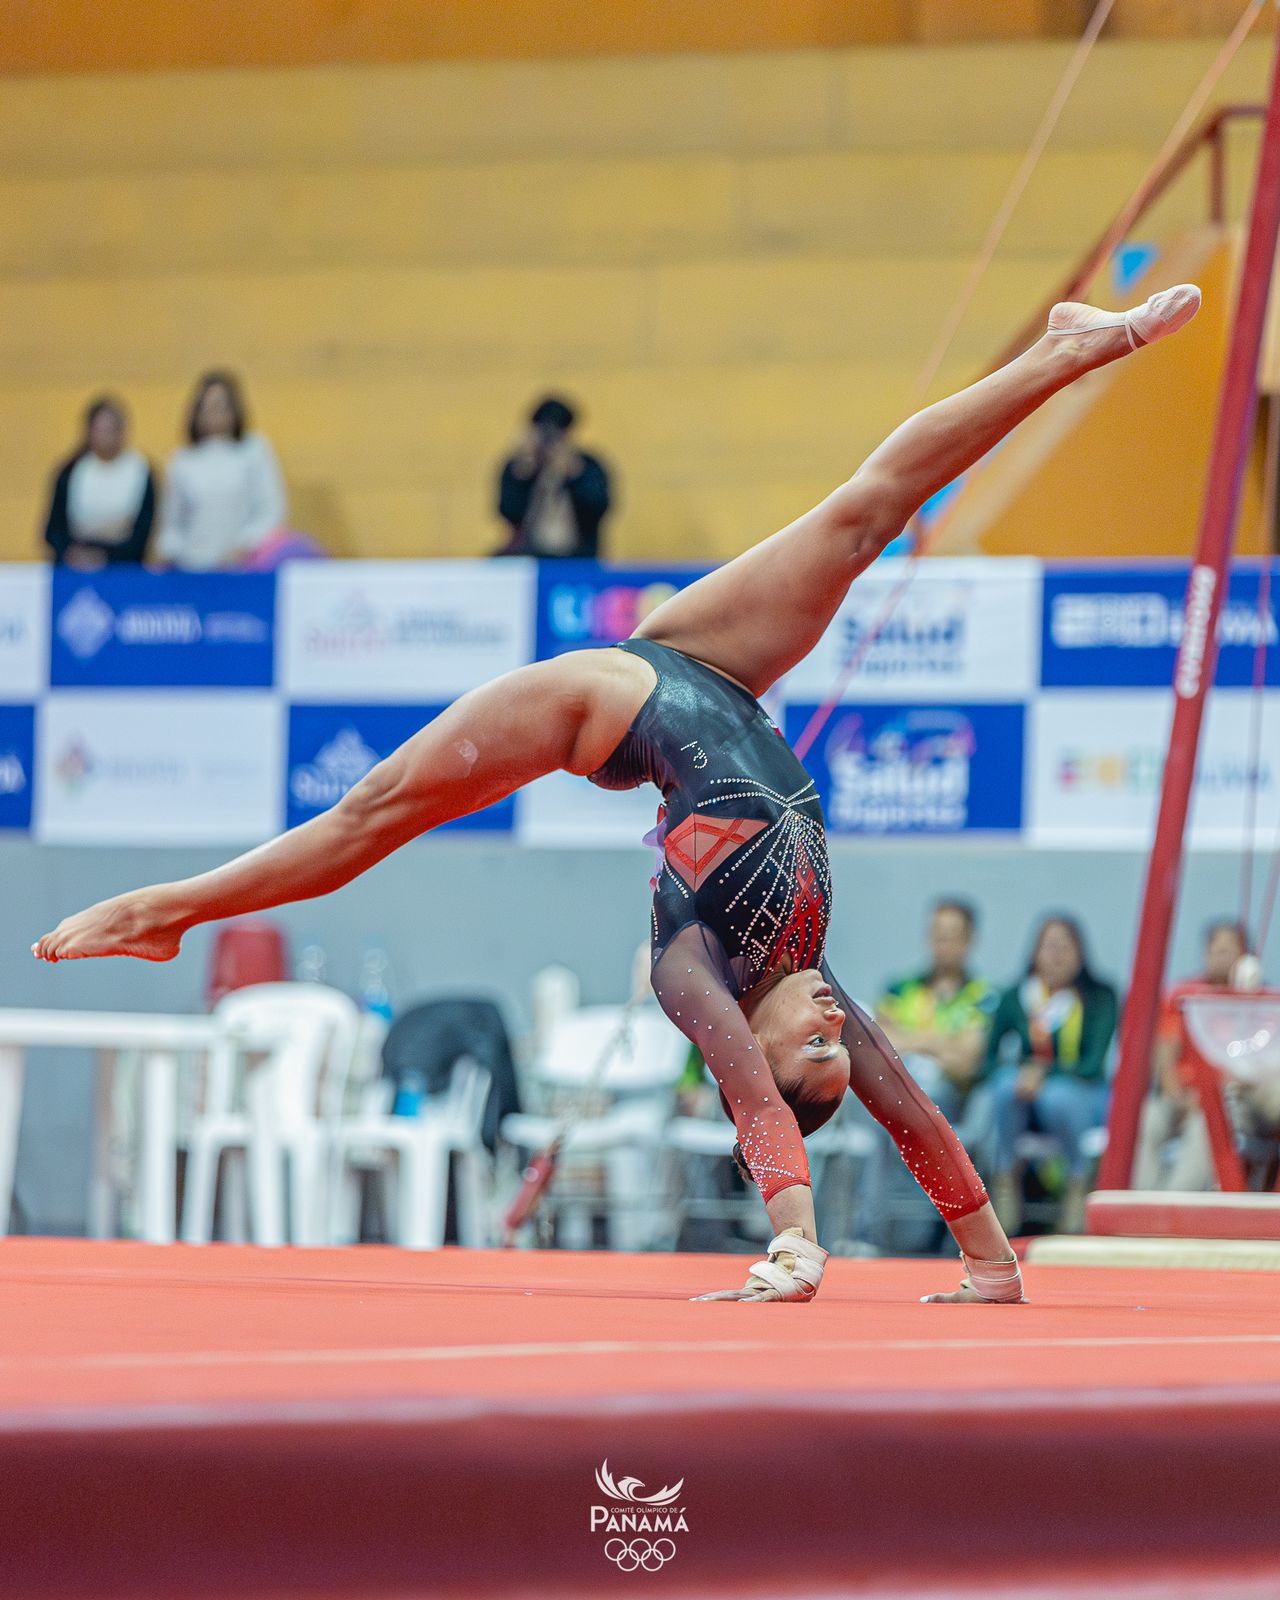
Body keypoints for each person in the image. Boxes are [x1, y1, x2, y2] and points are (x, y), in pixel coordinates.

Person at [33, 283, 1202, 1305]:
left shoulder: (690, 968)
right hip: (719, 671)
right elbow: (910, 1113)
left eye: (815, 1052)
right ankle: (1068, 348)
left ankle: (165, 910)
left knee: (376, 812)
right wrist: (990, 1260)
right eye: (839, 1044)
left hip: (609, 707)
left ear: (756, 1037)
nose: (837, 1029)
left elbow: (749, 1093)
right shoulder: (809, 963)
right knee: (864, 516)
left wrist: (792, 1236)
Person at [859, 899, 998, 1253]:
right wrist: (939, 1042)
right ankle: (869, 1230)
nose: (943, 944)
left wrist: (909, 1041)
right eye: (936, 935)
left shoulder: (984, 997)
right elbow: (876, 1042)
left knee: (927, 1089)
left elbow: (966, 1061)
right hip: (892, 1095)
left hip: (950, 1102)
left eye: (952, 936)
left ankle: (914, 1238)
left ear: (970, 941)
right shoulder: (900, 988)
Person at [987, 915, 1119, 1235]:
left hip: (1080, 1092)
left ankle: (1077, 1182)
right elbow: (988, 1060)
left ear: (1080, 953)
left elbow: (1092, 1065)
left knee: (1057, 1098)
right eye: (1049, 947)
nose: (1057, 956)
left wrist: (1043, 1073)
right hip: (1026, 1095)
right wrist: (1019, 1075)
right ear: (1035, 952)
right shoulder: (1016, 996)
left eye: (1065, 947)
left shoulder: (1100, 997)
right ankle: (1005, 1181)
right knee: (1004, 1088)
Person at [1133, 921, 1271, 1190]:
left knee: (1207, 1125)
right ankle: (1144, 1198)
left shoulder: (1262, 1002)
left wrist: (1208, 1100)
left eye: (1229, 951)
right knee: (1147, 1119)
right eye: (1216, 951)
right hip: (1182, 1096)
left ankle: (1175, 1202)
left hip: (1230, 1100)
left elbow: (1254, 1065)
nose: (1222, 958)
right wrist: (1178, 1095)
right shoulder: (1183, 994)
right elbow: (1165, 1054)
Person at [155, 371, 287, 571]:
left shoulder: (253, 451)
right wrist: (173, 553)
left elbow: (270, 511)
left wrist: (243, 547)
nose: (214, 413)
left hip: (244, 567)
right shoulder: (183, 460)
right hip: (193, 569)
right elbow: (171, 525)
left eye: (221, 406)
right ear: (196, 412)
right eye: (207, 407)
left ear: (235, 409)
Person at [42, 395, 157, 569]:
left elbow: (144, 531)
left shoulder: (141, 470)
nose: (105, 436)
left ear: (123, 431)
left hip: (123, 568)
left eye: (111, 429)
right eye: (99, 429)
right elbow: (53, 530)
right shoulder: (71, 471)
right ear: (88, 431)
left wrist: (107, 556)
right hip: (75, 566)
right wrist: (71, 553)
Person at [495, 395, 611, 558]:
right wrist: (523, 475)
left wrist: (574, 475)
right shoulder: (522, 465)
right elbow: (508, 513)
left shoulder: (587, 466)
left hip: (577, 556)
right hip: (527, 554)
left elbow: (598, 509)